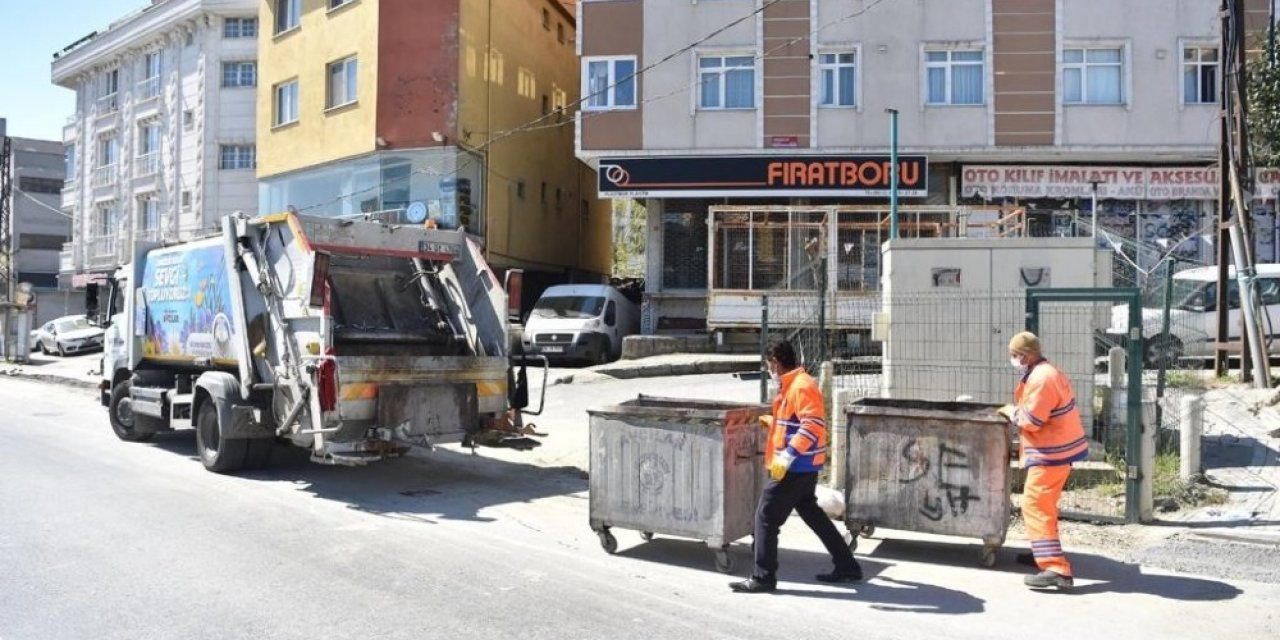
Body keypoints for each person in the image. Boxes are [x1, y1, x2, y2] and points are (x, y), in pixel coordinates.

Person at [730, 340, 862, 594]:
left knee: (765, 517)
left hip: (794, 467)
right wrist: (774, 423)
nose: (768, 370)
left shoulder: (801, 386)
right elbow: (796, 423)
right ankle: (848, 566)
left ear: (776, 363)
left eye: (768, 365)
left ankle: (763, 577)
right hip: (803, 466)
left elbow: (812, 425)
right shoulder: (793, 385)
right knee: (812, 514)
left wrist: (788, 455)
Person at [999, 332, 1088, 590]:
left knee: (1035, 505)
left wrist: (1010, 412)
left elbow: (1032, 421)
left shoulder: (1041, 378)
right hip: (1057, 450)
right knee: (1044, 505)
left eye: (1014, 355)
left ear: (1025, 355)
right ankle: (1043, 553)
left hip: (1051, 453)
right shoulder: (1047, 372)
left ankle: (1055, 568)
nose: (1013, 359)